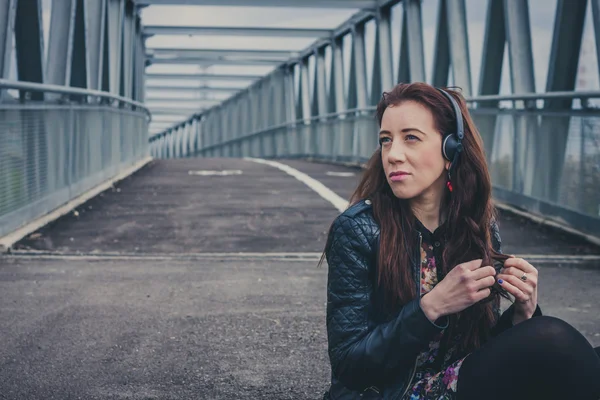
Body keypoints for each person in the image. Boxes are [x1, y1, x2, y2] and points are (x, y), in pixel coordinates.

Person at [319, 82, 600, 400]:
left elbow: (482, 348)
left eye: (410, 138)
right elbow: (349, 364)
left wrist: (523, 314)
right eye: (386, 141)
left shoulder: (475, 223)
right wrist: (431, 307)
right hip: (392, 392)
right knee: (554, 340)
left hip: (459, 382)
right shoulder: (359, 230)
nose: (393, 155)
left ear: (451, 150)